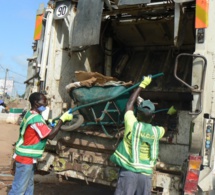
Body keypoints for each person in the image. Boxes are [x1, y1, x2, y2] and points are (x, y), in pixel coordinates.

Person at [110, 76, 176, 195]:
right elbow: (165, 128)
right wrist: (168, 114)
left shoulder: (132, 124)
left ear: (137, 113)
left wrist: (142, 85)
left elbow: (129, 104)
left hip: (128, 174)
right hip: (146, 176)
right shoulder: (157, 132)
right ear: (153, 117)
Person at [8, 92, 73, 195]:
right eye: (44, 101)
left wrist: (49, 124)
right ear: (36, 103)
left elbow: (39, 129)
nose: (46, 103)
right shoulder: (36, 118)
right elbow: (50, 136)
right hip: (25, 159)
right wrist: (62, 120)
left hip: (27, 158)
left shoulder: (31, 114)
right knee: (18, 190)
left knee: (29, 188)